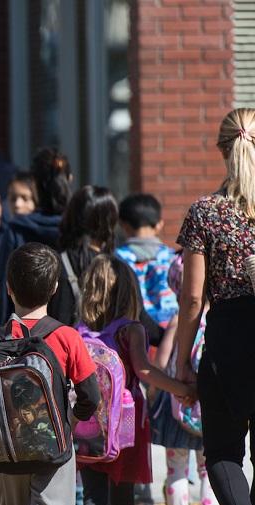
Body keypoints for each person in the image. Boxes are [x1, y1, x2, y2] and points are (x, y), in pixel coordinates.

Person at [174, 107, 255, 505]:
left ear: (223, 148)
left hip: (227, 339)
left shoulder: (204, 213)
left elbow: (192, 298)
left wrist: (182, 360)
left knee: (224, 453)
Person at [0, 242, 100, 505]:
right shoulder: (66, 337)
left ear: (8, 288)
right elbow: (91, 396)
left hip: (6, 452)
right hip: (53, 449)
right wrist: (69, 422)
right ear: (54, 289)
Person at [77, 254, 196, 505]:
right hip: (125, 419)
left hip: (88, 419)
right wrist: (183, 389)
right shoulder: (131, 330)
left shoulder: (79, 331)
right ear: (129, 292)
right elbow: (145, 371)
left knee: (92, 489)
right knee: (123, 489)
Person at [148, 252, 216, 505]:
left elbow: (162, 362)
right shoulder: (216, 321)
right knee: (209, 469)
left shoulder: (179, 321)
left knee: (176, 470)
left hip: (176, 403)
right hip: (207, 406)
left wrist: (154, 392)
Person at [0, 148, 73, 321]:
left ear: (34, 184)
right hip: (76, 334)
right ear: (69, 179)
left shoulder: (18, 229)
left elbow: (2, 288)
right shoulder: (79, 229)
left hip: (26, 334)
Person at [48, 185, 119, 326]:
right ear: (109, 222)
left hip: (61, 345)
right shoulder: (118, 269)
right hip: (106, 346)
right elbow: (139, 319)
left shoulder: (53, 263)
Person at [115, 193, 178, 328]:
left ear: (123, 224)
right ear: (159, 224)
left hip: (130, 332)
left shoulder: (116, 258)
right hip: (170, 331)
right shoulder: (173, 258)